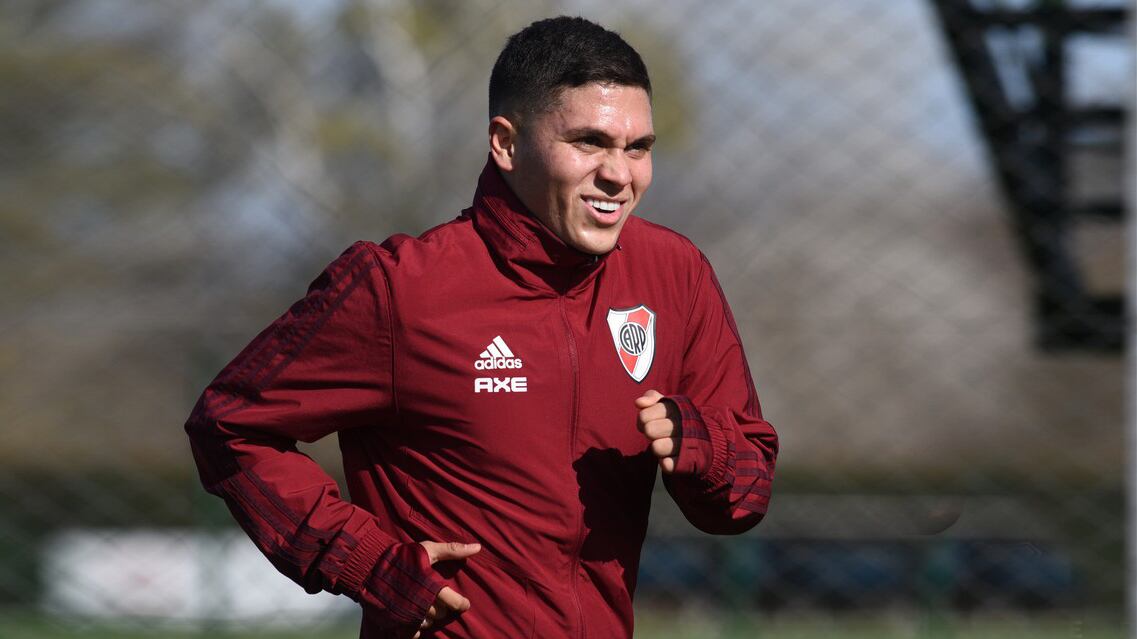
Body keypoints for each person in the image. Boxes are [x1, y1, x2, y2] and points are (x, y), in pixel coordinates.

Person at [185, 16, 777, 639]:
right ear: (506, 143)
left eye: (638, 148)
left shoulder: (673, 274)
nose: (619, 175)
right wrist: (368, 562)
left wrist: (705, 449)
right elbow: (230, 424)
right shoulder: (400, 288)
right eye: (588, 143)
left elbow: (744, 491)